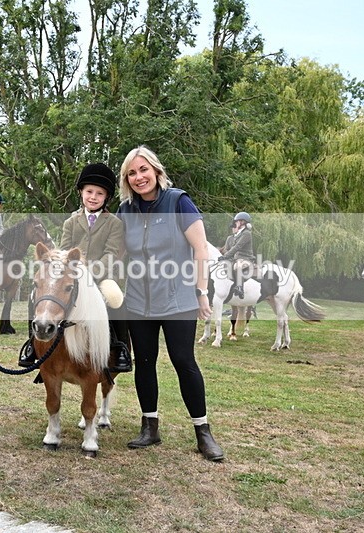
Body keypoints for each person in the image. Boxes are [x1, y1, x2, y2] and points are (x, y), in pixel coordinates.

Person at [116, 145, 224, 462]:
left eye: (143, 170)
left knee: (183, 361)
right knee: (144, 362)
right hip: (138, 302)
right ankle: (150, 427)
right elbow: (115, 252)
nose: (139, 177)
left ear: (156, 171)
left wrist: (202, 292)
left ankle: (203, 432)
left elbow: (201, 250)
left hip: (179, 300)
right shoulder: (125, 210)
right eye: (131, 173)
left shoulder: (179, 201)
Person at [17, 163, 132, 373]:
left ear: (106, 197)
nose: (93, 197)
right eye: (89, 192)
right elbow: (63, 251)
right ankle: (32, 344)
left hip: (101, 276)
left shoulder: (114, 223)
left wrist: (89, 273)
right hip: (70, 275)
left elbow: (111, 255)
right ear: (81, 192)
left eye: (99, 193)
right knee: (36, 294)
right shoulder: (71, 221)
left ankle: (120, 347)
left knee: (115, 296)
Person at [219, 211, 256, 299]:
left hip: (246, 258)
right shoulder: (238, 234)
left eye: (237, 221)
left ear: (242, 222)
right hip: (237, 258)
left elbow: (237, 247)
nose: (235, 223)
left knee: (237, 266)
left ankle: (240, 287)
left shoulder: (246, 233)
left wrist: (225, 256)